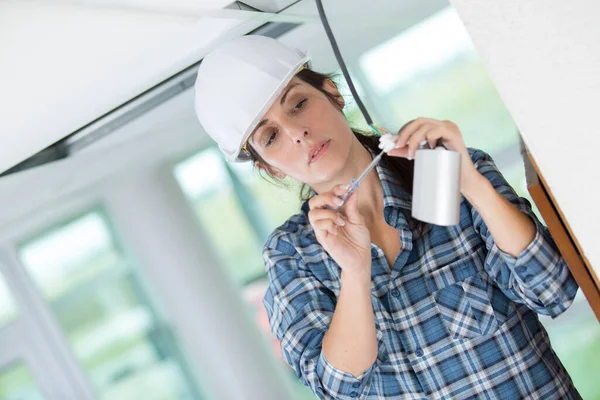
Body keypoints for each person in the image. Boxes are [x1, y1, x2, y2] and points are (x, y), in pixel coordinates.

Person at [194, 35, 581, 399]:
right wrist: (355, 272)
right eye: (271, 137)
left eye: (297, 104)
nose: (297, 132)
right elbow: (340, 387)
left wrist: (471, 184)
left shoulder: (440, 173)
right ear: (270, 168)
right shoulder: (293, 254)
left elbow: (553, 290)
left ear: (333, 94)